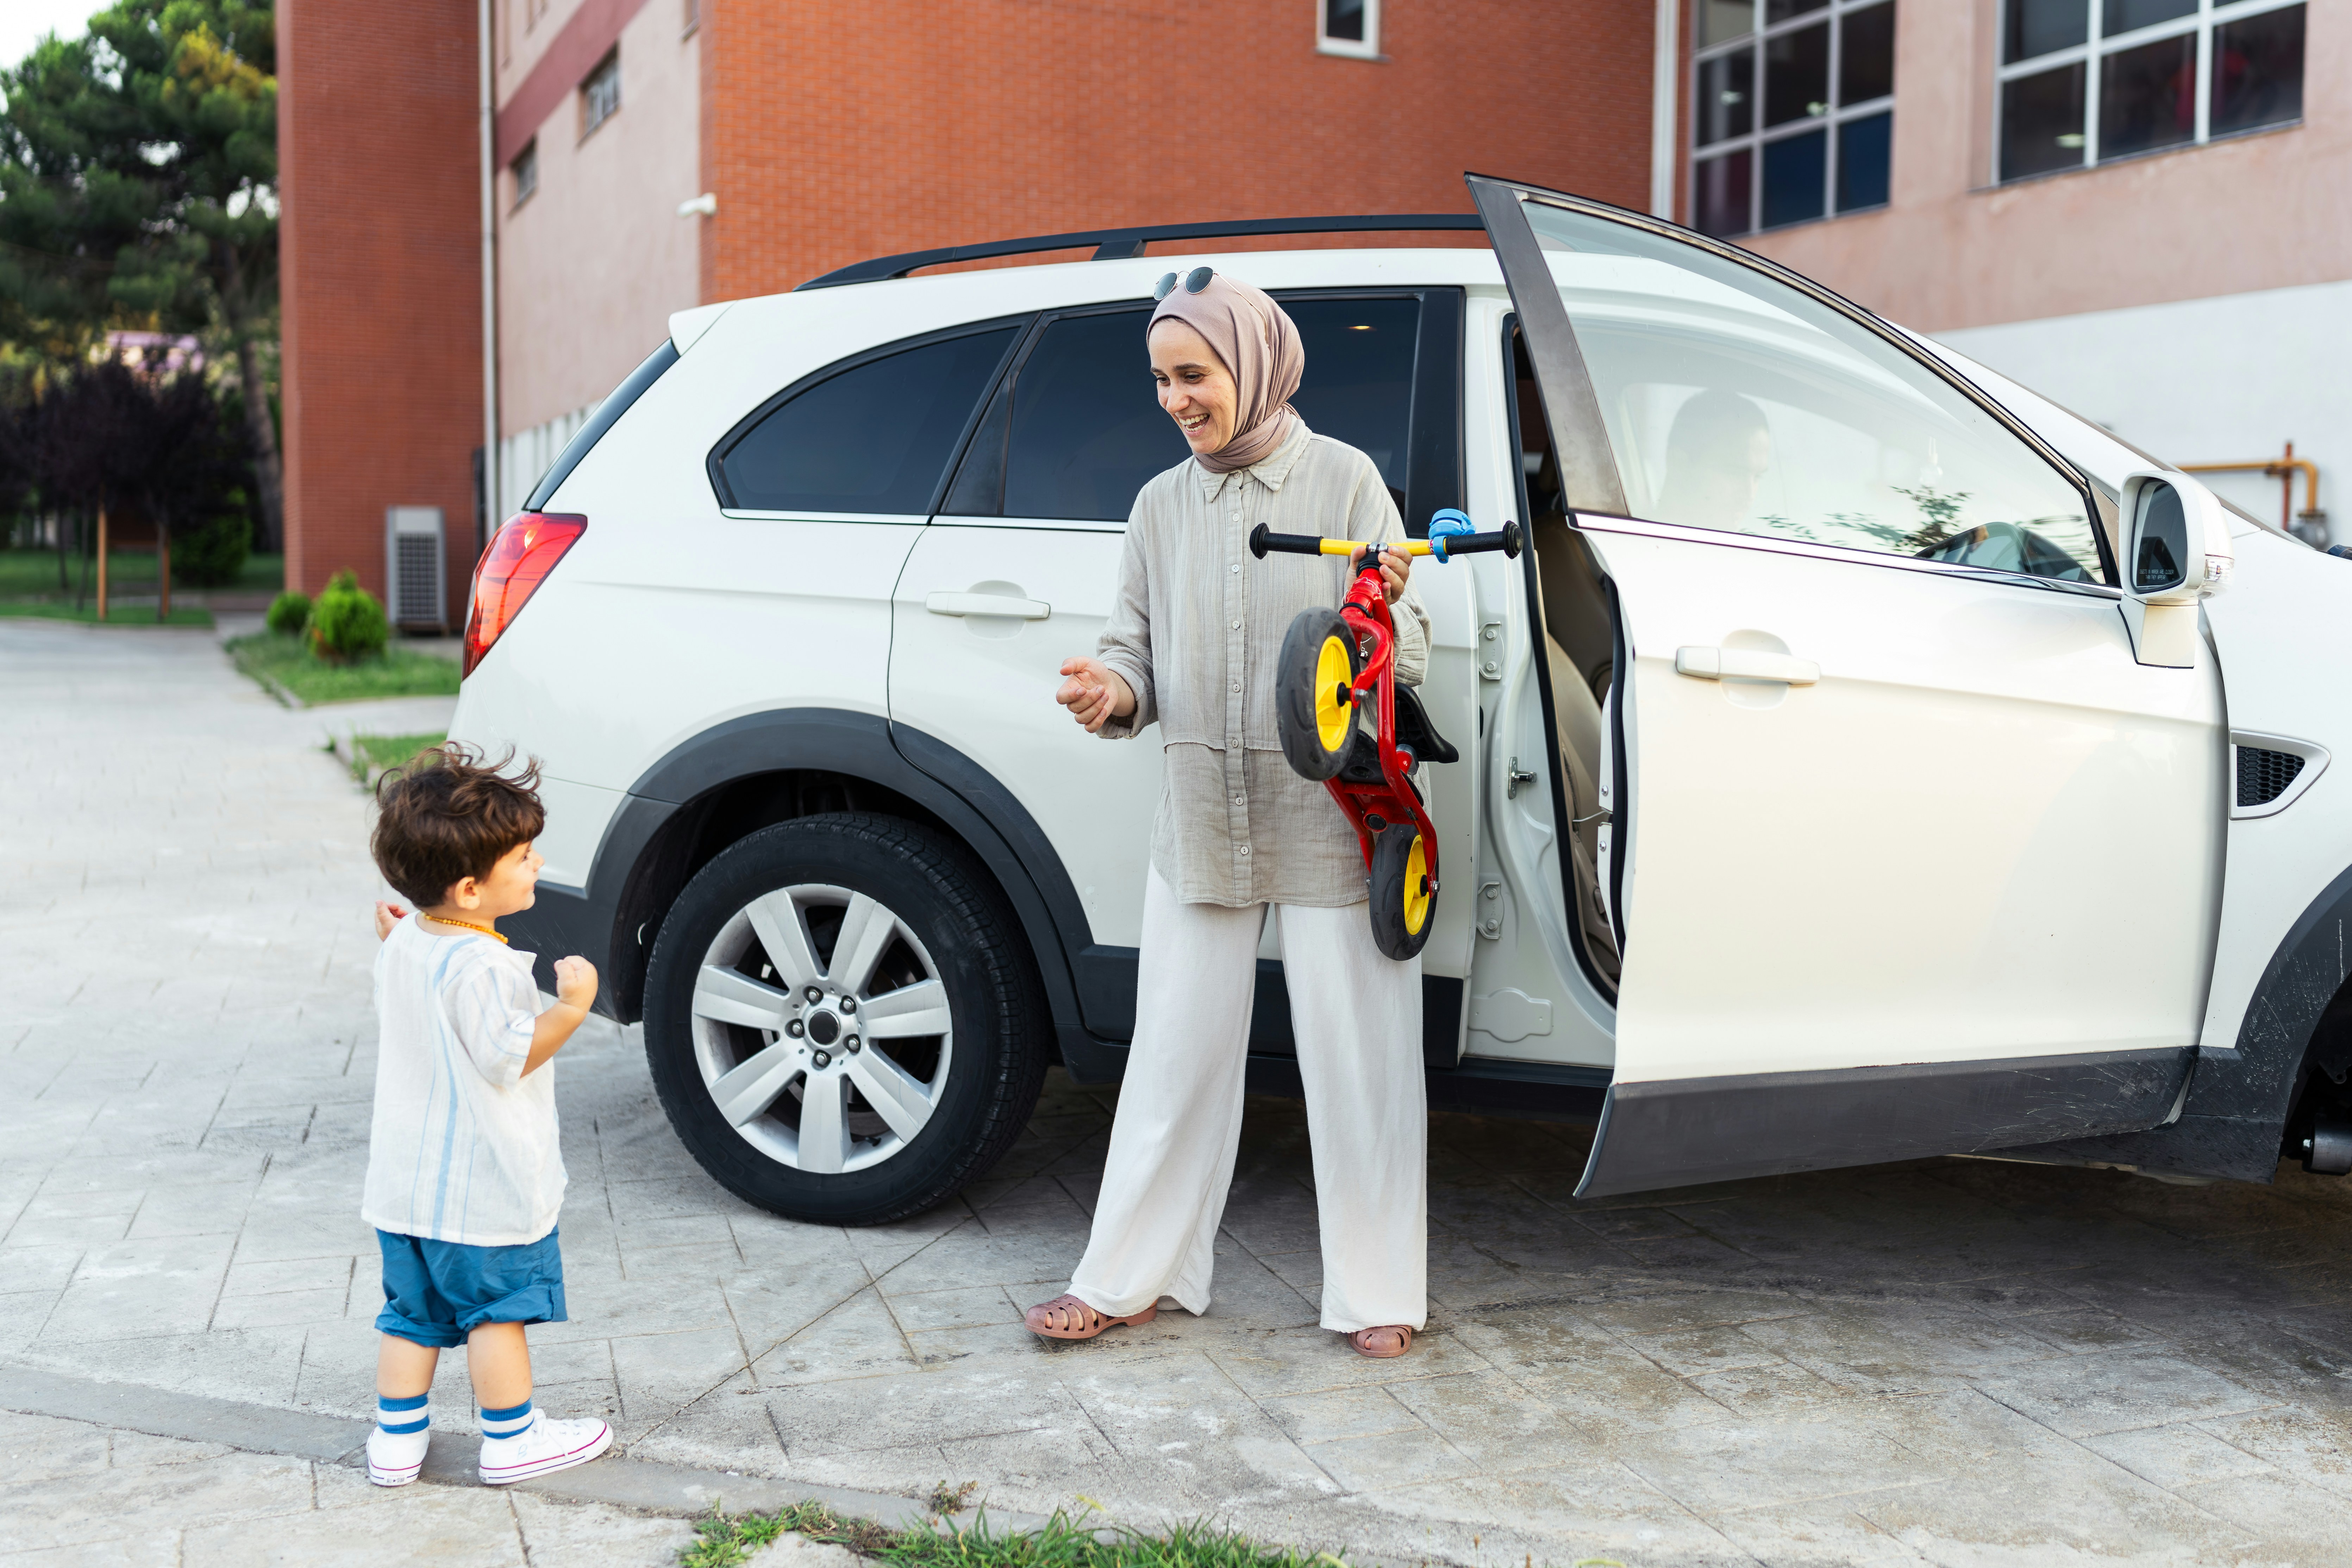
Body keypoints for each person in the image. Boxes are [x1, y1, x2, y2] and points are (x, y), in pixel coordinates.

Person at [1032, 269, 1431, 1359]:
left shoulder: (1348, 484)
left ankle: (1379, 1287)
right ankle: (1128, 1276)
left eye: (1193, 374)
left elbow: (1418, 645)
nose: (1175, 398)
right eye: (1161, 378)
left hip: (1333, 812)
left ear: (1252, 367)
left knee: (1358, 1059)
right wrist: (1109, 690)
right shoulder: (1160, 504)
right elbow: (1133, 648)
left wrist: (1388, 606)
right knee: (1171, 1056)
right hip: (1204, 808)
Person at [360, 745, 614, 1487]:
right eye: (525, 855)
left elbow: (417, 961)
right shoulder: (487, 967)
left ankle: (396, 1441)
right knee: (493, 1314)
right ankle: (512, 1439)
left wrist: (396, 931)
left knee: (411, 1315)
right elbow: (510, 1055)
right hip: (478, 1191)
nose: (536, 863)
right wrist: (570, 1008)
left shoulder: (411, 938)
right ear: (470, 889)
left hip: (404, 1192)